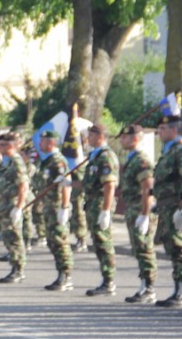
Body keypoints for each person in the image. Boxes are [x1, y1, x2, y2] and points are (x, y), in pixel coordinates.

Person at [117, 124, 157, 303]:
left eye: (125, 137)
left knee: (144, 248)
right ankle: (144, 285)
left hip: (141, 209)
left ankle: (148, 288)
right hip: (133, 209)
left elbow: (148, 187)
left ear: (135, 139)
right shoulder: (132, 159)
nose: (122, 140)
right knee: (138, 249)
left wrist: (145, 214)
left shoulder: (141, 160)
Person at [80, 125, 119, 296]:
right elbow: (90, 183)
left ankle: (109, 282)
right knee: (98, 242)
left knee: (104, 243)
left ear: (100, 137)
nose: (88, 137)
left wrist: (106, 211)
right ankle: (106, 279)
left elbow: (109, 186)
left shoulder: (105, 157)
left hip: (100, 204)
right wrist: (68, 183)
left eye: (91, 134)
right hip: (93, 204)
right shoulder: (94, 157)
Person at [37, 129, 74, 291]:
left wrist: (65, 207)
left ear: (51, 143)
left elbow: (65, 184)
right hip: (49, 207)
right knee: (52, 241)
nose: (40, 144)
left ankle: (66, 276)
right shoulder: (48, 161)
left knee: (60, 242)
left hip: (57, 206)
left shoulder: (58, 162)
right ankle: (61, 273)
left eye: (43, 141)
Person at [152, 114, 182, 307]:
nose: (159, 132)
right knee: (172, 248)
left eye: (163, 129)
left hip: (175, 208)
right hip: (166, 207)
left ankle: (179, 292)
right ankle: (177, 289)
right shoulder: (169, 152)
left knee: (178, 249)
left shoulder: (179, 152)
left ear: (173, 130)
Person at [0, 133, 29, 283]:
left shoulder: (16, 161)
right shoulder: (6, 161)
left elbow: (23, 185)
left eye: (2, 145)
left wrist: (19, 207)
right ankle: (14, 267)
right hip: (4, 204)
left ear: (10, 146)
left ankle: (18, 269)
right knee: (8, 237)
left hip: (12, 204)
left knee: (14, 237)